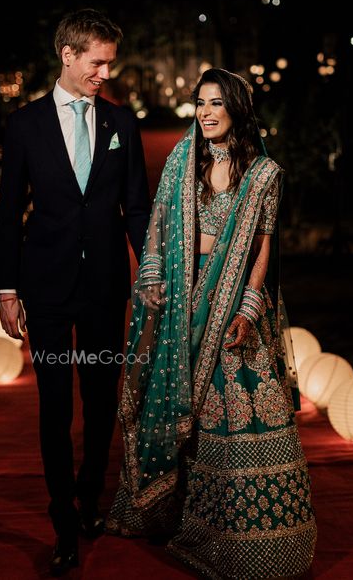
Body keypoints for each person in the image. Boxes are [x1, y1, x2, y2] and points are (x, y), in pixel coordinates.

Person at [106, 68, 317, 579]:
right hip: (183, 302)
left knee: (237, 414)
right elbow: (158, 226)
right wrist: (152, 277)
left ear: (237, 109)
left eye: (215, 103)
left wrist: (247, 308)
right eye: (200, 103)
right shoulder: (183, 161)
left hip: (235, 308)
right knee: (188, 414)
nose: (205, 112)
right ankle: (181, 518)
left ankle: (254, 543)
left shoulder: (264, 174)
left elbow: (263, 249)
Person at [0, 8, 150, 576]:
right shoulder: (25, 125)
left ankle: (89, 498)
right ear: (68, 53)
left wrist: (152, 269)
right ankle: (63, 520)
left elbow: (135, 207)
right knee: (55, 406)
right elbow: (9, 213)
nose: (105, 72)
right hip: (48, 289)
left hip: (108, 286)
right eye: (97, 61)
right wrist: (8, 289)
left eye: (110, 61)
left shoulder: (122, 124)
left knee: (102, 399)